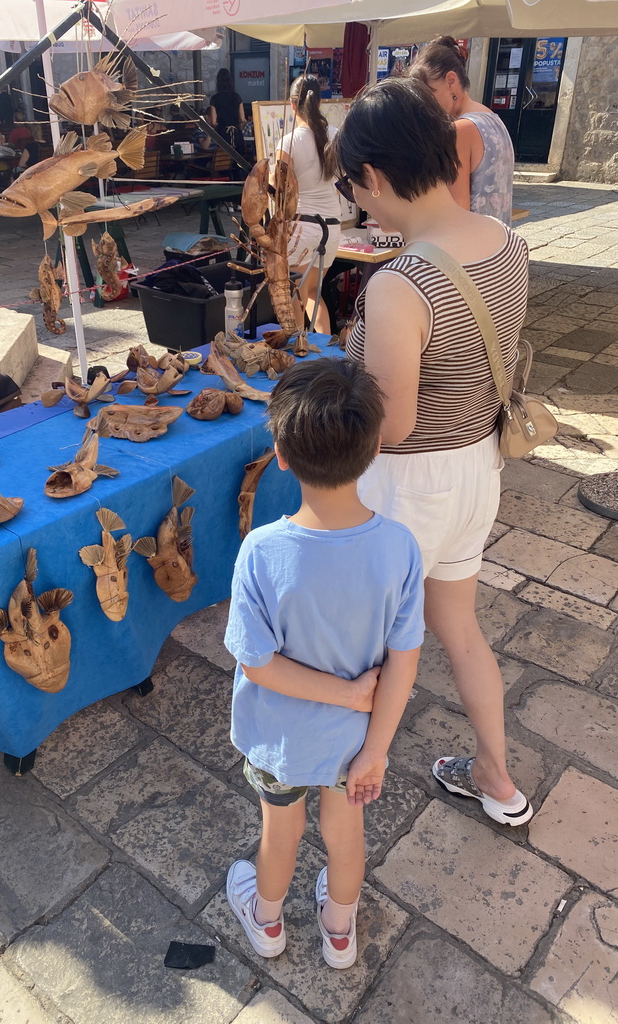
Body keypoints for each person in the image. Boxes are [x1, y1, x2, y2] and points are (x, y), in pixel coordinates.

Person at [333, 77, 533, 826]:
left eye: (355, 188)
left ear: (375, 177)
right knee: (460, 628)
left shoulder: (401, 283)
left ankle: (346, 777)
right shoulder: (507, 243)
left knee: (366, 646)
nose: (361, 205)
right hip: (477, 469)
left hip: (405, 491)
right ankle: (497, 778)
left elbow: (392, 426)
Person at [225, 357, 423, 969]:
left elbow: (257, 665)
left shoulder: (261, 550)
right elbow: (404, 664)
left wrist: (345, 694)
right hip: (353, 748)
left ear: (281, 455)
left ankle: (267, 922)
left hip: (279, 741)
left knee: (278, 832)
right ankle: (339, 934)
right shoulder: (399, 547)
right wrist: (374, 746)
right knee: (346, 837)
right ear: (372, 451)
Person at [409, 36, 515, 227]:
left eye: (430, 94)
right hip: (498, 241)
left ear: (451, 80)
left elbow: (457, 207)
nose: (427, 105)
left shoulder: (460, 130)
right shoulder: (493, 118)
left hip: (470, 246)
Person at [275, 74, 343, 335]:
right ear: (320, 102)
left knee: (297, 295)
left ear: (292, 105)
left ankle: (297, 358)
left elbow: (277, 188)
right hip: (332, 227)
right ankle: (327, 354)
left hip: (303, 227)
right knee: (314, 293)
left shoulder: (289, 141)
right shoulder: (335, 136)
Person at [208, 68, 245, 153]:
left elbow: (213, 121)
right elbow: (242, 119)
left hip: (223, 134)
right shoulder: (237, 97)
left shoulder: (214, 99)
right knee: (239, 160)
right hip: (236, 134)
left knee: (224, 160)